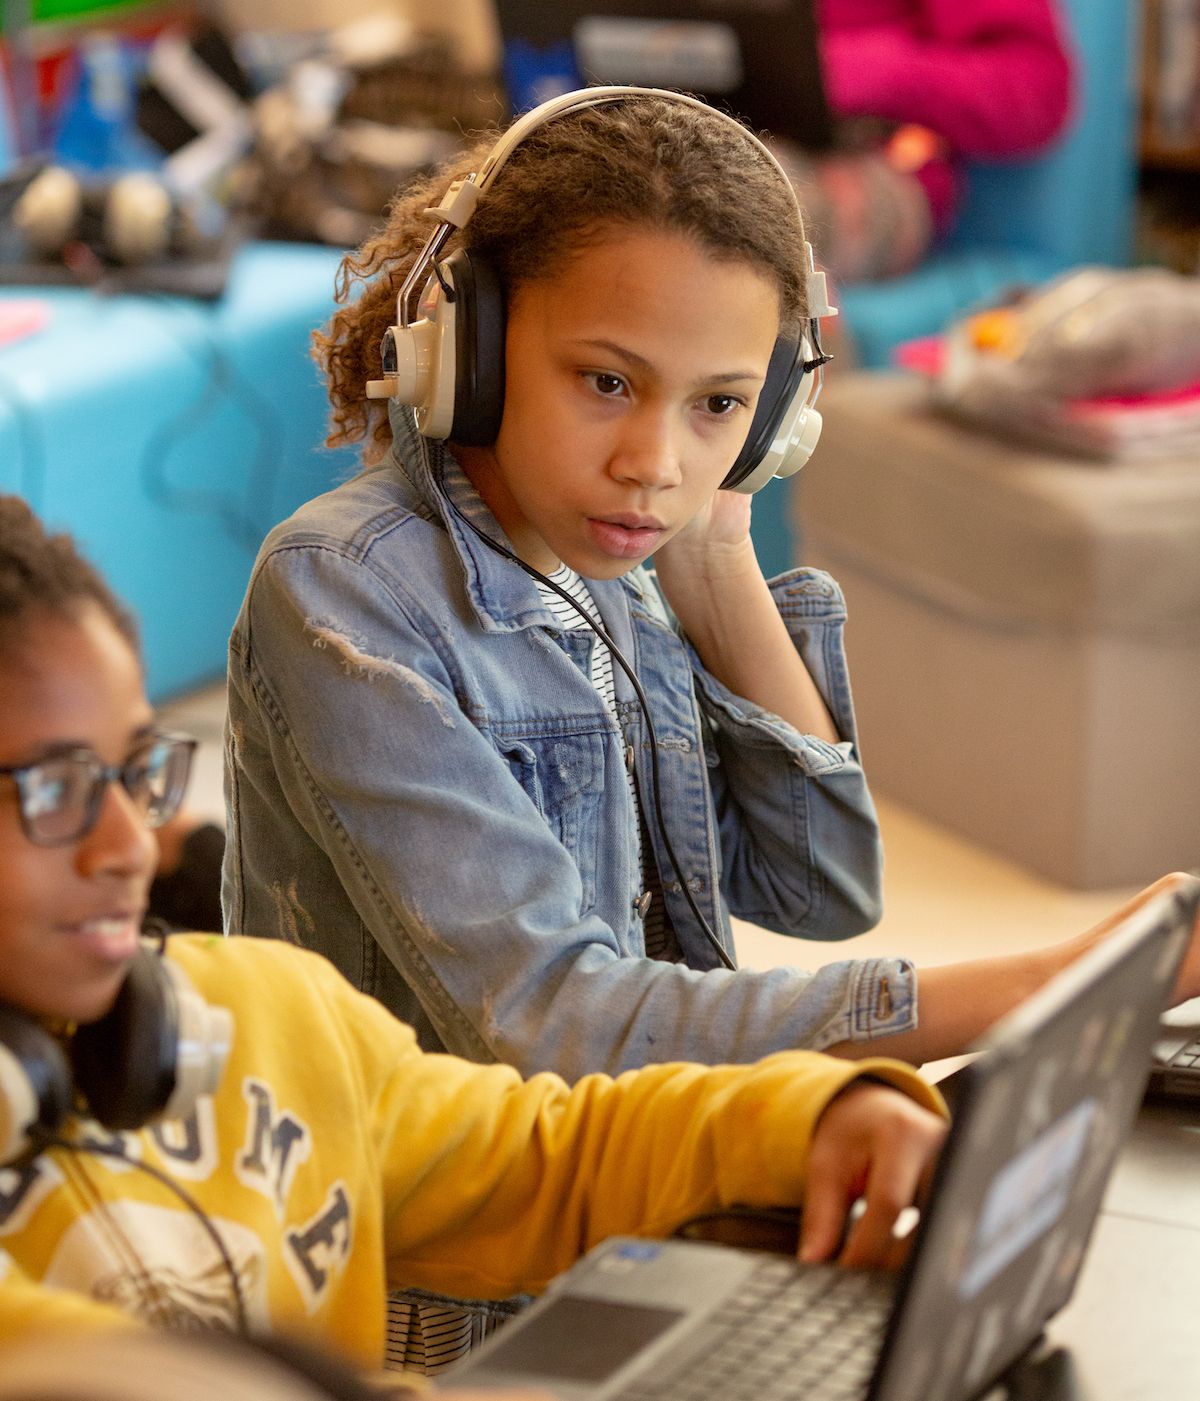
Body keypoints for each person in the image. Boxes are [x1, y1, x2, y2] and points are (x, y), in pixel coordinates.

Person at [223, 86, 1200, 1089]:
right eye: (607, 382)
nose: (654, 462)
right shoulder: (345, 591)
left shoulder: (604, 559)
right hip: (420, 1213)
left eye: (721, 404)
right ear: (467, 348)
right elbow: (562, 1025)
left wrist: (716, 556)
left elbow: (820, 883)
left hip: (617, 1153)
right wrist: (1063, 978)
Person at [0, 493, 950, 1364]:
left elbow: (546, 1157)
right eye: (52, 789)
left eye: (133, 772)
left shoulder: (266, 1018)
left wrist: (810, 1117)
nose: (130, 844)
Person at [780, 0, 1074, 283]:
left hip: (882, 162)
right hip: (759, 134)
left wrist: (866, 70)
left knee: (765, 211)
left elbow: (1038, 88)